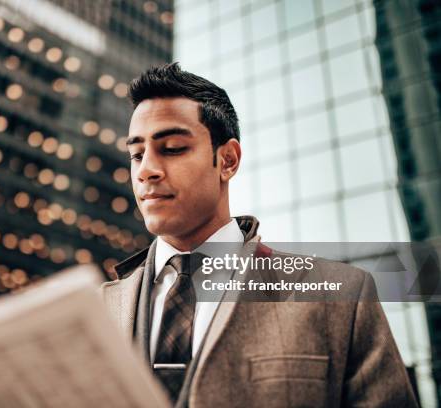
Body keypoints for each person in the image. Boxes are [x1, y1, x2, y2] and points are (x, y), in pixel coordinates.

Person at [100, 63, 417, 407]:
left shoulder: (342, 296)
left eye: (173, 147)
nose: (145, 170)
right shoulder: (97, 310)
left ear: (228, 160)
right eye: (136, 154)